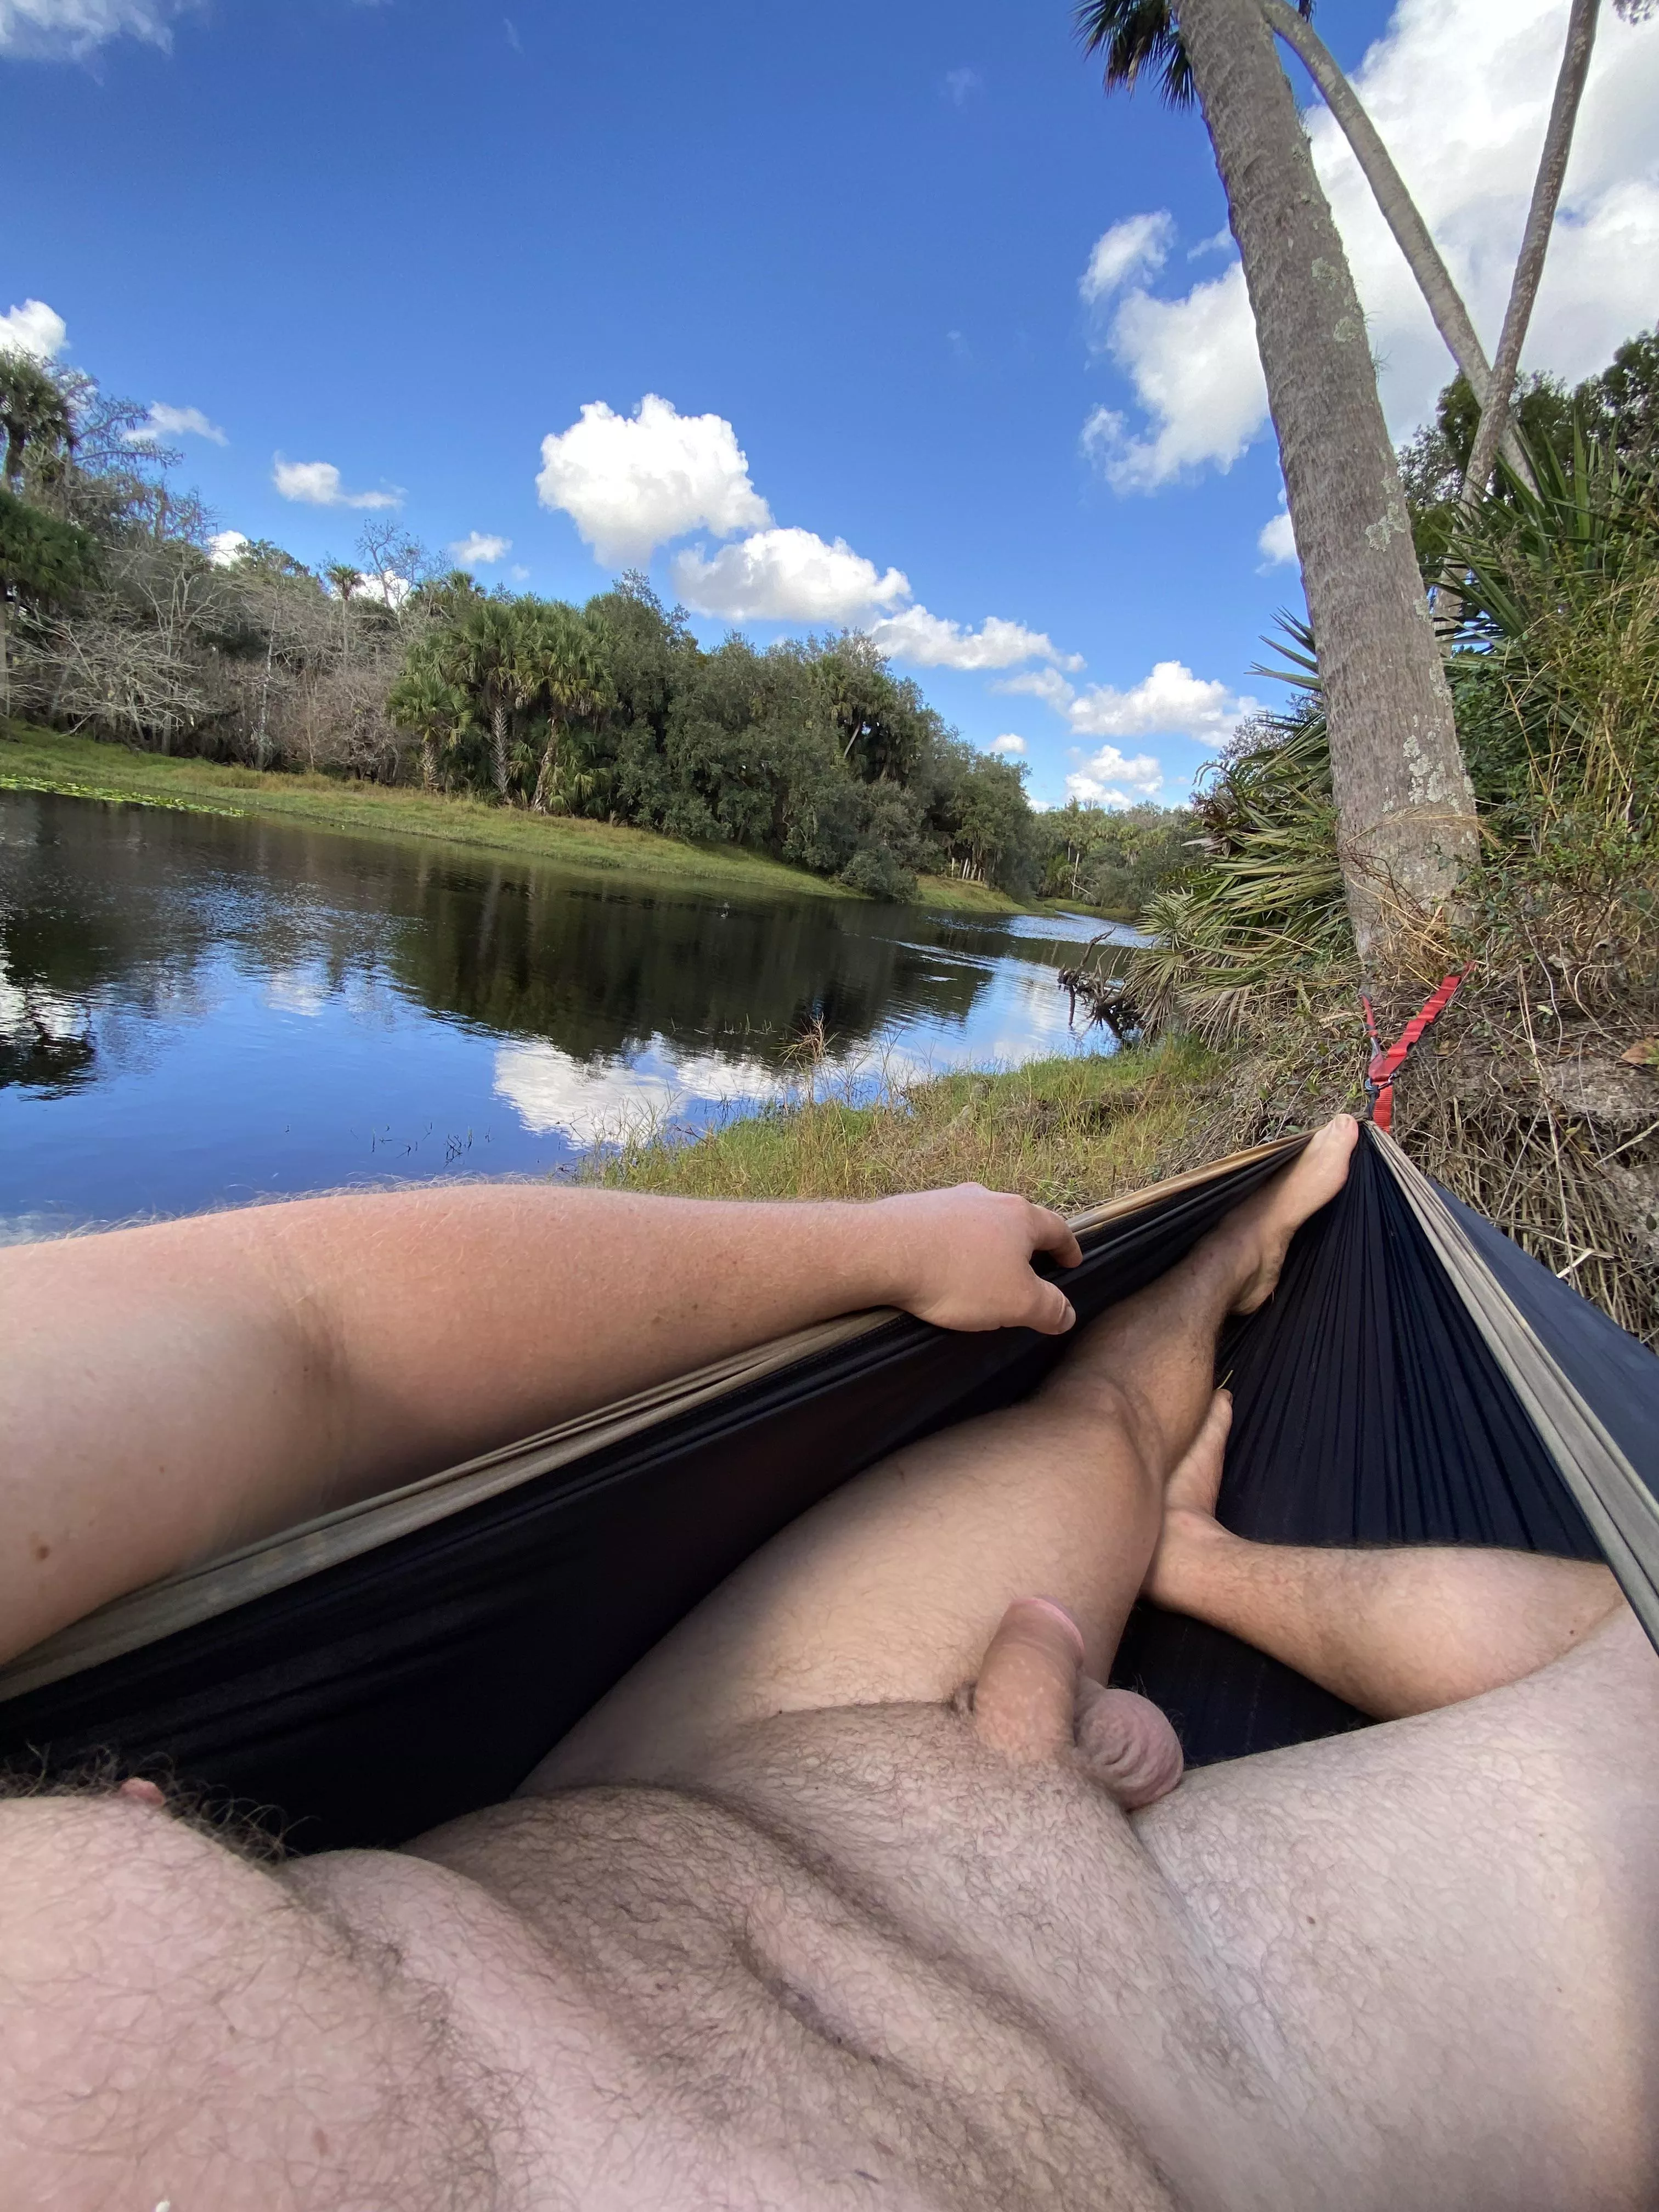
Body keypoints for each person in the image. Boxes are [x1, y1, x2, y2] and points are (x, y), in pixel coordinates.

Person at [0, 1116, 1650, 2209]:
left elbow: (305, 1331)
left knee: (1096, 1412)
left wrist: (884, 1248)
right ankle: (1201, 1556)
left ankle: (1229, 1302)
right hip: (1179, 2050)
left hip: (679, 1806)